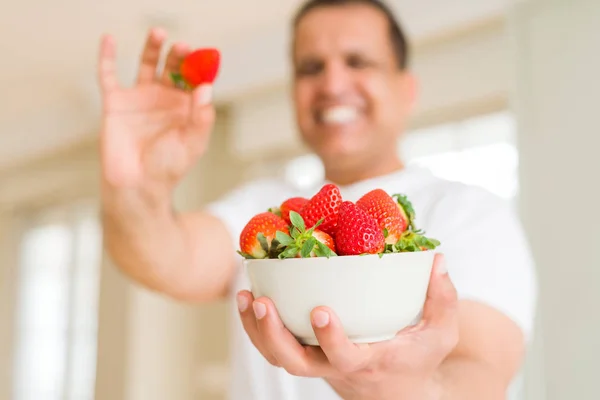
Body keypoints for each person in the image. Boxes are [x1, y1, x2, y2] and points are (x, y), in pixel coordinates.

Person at [97, 0, 537, 398]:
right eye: (310, 67)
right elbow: (163, 259)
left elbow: (481, 373)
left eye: (358, 61)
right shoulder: (270, 212)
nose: (331, 82)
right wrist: (138, 185)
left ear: (406, 90)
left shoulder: (471, 214)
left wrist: (402, 390)